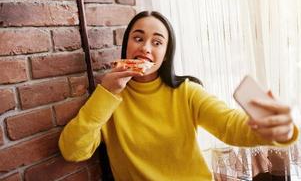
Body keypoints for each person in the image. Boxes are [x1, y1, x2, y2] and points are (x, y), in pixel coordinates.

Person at [59, 11, 299, 181]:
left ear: (165, 55)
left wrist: (278, 130)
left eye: (157, 42)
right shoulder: (108, 97)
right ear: (127, 46)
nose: (145, 48)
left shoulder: (186, 91)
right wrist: (106, 94)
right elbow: (73, 151)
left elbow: (229, 125)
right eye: (138, 38)